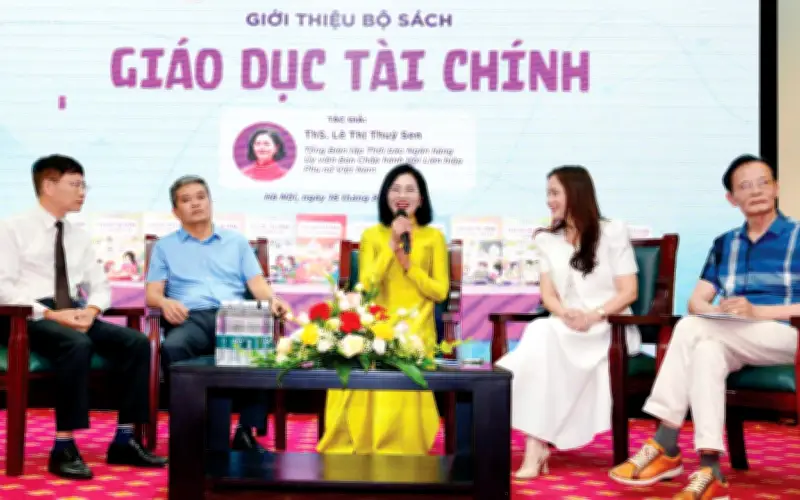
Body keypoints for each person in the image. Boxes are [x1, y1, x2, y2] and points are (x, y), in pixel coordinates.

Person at [610, 154, 798, 499]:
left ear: (776, 188)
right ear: (732, 199)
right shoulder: (725, 243)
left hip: (787, 334)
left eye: (763, 182)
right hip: (736, 335)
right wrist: (718, 311)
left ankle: (666, 442)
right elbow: (697, 301)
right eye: (745, 186)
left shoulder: (798, 236)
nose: (756, 191)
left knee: (691, 328)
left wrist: (758, 311)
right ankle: (711, 469)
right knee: (706, 349)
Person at [0, 155, 167, 479]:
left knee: (135, 342)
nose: (83, 192)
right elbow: (3, 288)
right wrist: (51, 313)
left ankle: (125, 440)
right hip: (26, 315)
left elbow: (100, 286)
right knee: (76, 344)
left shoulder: (77, 235)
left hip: (74, 310)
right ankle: (64, 446)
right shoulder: (11, 228)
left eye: (83, 185)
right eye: (75, 185)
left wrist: (90, 311)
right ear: (49, 186)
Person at [495, 165, 639, 479]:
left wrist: (592, 315)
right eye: (548, 193)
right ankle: (536, 445)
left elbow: (629, 291)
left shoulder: (612, 231)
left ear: (575, 193)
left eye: (554, 193)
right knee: (543, 330)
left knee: (540, 336)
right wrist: (565, 314)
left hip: (608, 326)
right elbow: (548, 295)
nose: (549, 200)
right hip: (566, 326)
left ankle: (532, 440)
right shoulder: (548, 240)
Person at [146, 175, 290, 450]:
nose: (195, 204)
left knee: (263, 347)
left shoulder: (236, 242)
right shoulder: (165, 247)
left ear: (211, 202)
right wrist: (164, 303)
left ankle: (246, 430)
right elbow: (152, 293)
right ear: (175, 211)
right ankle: (190, 426)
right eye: (186, 200)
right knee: (173, 347)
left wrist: (273, 300)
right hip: (191, 317)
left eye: (201, 197)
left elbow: (257, 285)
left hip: (234, 315)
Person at [316, 164, 450, 455]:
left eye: (410, 190)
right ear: (386, 196)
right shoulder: (372, 236)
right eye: (396, 189)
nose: (403, 195)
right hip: (376, 324)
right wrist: (392, 245)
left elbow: (440, 292)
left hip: (416, 328)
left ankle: (399, 445)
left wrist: (408, 265)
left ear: (421, 199)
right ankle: (356, 440)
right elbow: (366, 286)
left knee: (400, 355)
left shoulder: (433, 237)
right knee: (353, 354)